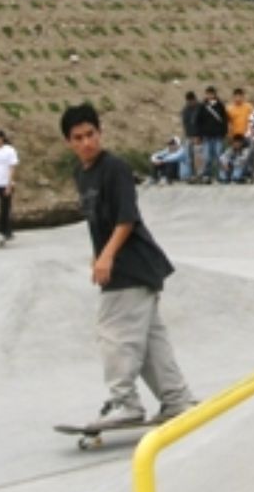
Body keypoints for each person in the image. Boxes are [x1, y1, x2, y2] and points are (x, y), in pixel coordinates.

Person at [62, 103, 197, 430]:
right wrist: (99, 254)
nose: (86, 143)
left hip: (131, 265)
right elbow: (98, 222)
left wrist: (107, 256)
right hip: (130, 266)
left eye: (91, 134)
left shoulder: (115, 168)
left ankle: (125, 402)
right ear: (69, 142)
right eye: (78, 138)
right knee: (150, 341)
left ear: (100, 133)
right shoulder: (82, 174)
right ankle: (177, 400)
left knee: (115, 334)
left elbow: (126, 218)